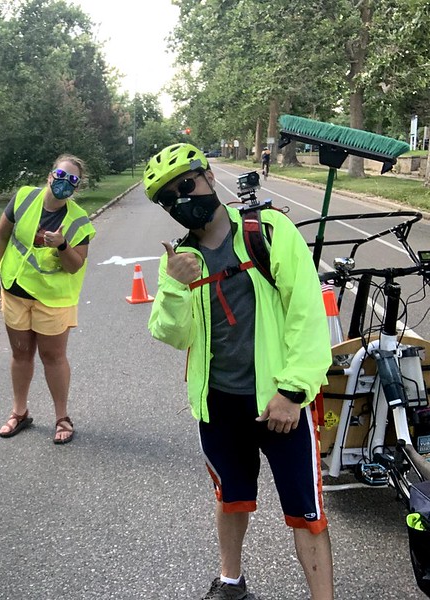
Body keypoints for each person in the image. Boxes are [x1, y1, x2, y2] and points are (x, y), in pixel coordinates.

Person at [143, 143, 334, 599]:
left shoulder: (267, 232)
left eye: (186, 185)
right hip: (220, 404)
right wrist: (173, 284)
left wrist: (292, 391)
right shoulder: (180, 257)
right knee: (231, 499)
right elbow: (171, 334)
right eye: (168, 199)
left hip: (279, 403)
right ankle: (231, 582)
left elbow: (306, 316)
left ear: (208, 176)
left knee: (306, 512)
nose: (181, 201)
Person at [0, 154, 96, 444]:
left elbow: (74, 265)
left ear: (77, 187)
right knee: (20, 354)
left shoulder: (79, 221)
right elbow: (0, 238)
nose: (64, 183)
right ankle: (19, 412)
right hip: (16, 291)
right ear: (50, 175)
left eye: (72, 180)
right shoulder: (23, 198)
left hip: (53, 300)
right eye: (61, 175)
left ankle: (62, 418)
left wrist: (62, 245)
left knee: (53, 357)